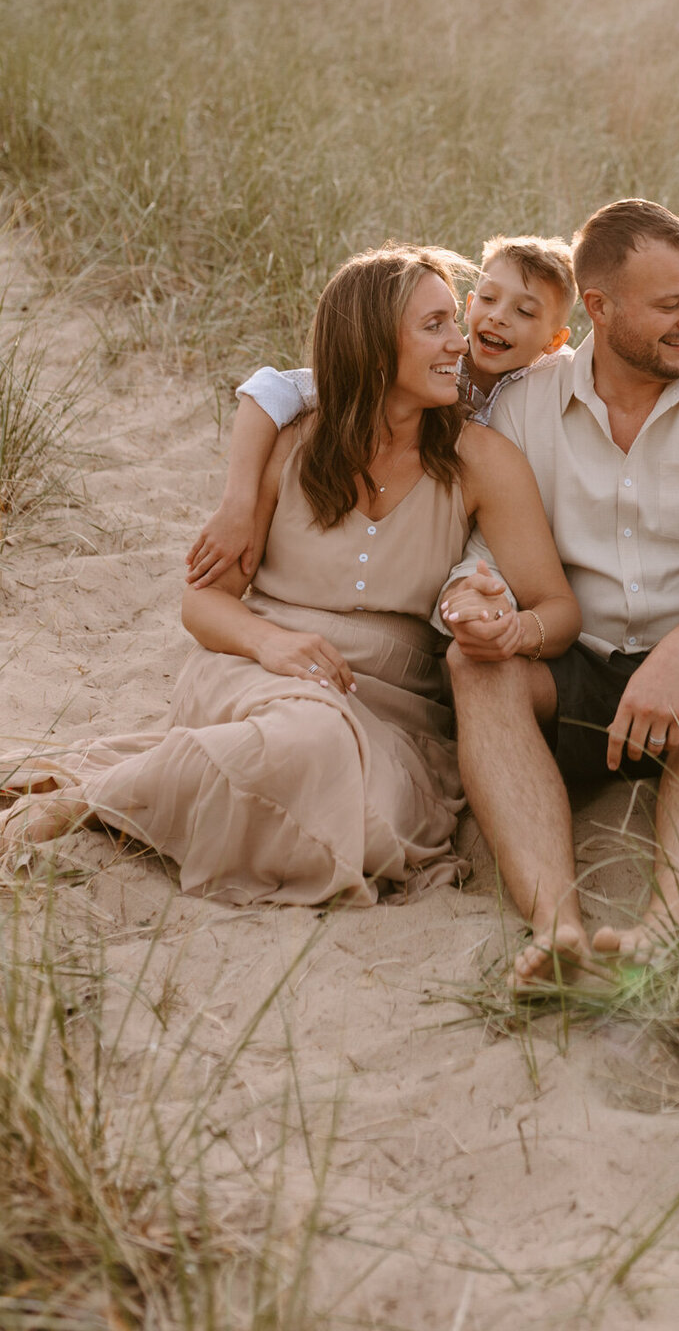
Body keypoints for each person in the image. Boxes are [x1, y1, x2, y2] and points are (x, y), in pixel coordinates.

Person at [0, 246, 579, 907]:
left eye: (455, 320)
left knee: (348, 790)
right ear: (374, 344)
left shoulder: (481, 458)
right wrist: (271, 644)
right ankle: (88, 801)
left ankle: (114, 787)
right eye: (436, 326)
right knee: (308, 740)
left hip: (393, 713)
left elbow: (558, 609)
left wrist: (514, 632)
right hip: (254, 671)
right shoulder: (293, 441)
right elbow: (204, 604)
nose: (460, 343)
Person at [438, 199, 679, 985]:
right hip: (577, 672)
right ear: (601, 309)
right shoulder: (527, 406)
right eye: (670, 305)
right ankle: (557, 932)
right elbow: (487, 552)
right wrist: (474, 597)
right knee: (472, 666)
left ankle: (667, 930)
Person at [186, 235, 578, 590]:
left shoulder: (549, 385)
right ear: (471, 304)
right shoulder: (426, 368)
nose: (499, 317)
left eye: (525, 312)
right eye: (488, 300)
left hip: (490, 530)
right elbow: (272, 389)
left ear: (555, 341)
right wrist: (237, 502)